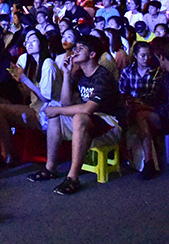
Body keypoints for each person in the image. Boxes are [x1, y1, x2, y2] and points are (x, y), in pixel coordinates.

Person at [27, 35, 123, 196]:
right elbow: (66, 104)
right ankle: (50, 168)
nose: (75, 52)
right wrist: (66, 74)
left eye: (80, 49)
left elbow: (88, 108)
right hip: (90, 121)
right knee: (56, 115)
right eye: (75, 48)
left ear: (92, 54)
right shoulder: (79, 74)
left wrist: (58, 110)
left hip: (111, 123)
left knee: (76, 116)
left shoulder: (102, 75)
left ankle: (73, 178)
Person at [127, 37, 169, 179]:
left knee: (141, 115)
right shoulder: (166, 74)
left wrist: (148, 107)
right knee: (134, 110)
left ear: (162, 57)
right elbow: (157, 98)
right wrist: (140, 102)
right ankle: (137, 157)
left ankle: (149, 161)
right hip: (167, 115)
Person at [0, 29, 61, 166]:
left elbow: (46, 98)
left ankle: (6, 155)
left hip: (48, 113)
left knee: (0, 110)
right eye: (27, 41)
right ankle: (8, 153)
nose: (29, 44)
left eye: (33, 41)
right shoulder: (30, 62)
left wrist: (24, 79)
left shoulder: (47, 64)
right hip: (35, 108)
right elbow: (25, 89)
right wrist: (18, 79)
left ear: (41, 43)